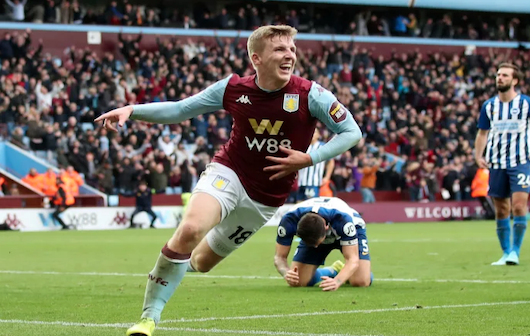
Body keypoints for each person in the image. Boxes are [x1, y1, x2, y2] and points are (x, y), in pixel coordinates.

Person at [95, 25, 362, 336]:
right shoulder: (233, 89)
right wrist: (132, 110)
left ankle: (173, 268)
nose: (289, 55)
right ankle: (148, 319)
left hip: (266, 197)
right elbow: (182, 109)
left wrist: (310, 158)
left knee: (204, 262)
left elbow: (351, 132)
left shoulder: (311, 94)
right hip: (229, 172)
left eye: (291, 49)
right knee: (191, 229)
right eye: (280, 50)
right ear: (256, 58)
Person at [473, 63, 530, 266]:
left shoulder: (528, 104)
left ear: (514, 80)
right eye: (498, 74)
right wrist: (478, 155)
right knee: (501, 210)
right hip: (497, 163)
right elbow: (482, 133)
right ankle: (506, 252)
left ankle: (515, 252)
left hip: (520, 162)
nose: (500, 78)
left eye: (505, 75)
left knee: (518, 206)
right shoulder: (489, 106)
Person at [274, 197, 372, 290]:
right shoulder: (289, 221)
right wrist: (286, 273)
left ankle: (361, 272)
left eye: (317, 243)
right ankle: (333, 270)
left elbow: (352, 259)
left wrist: (337, 281)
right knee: (298, 281)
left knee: (360, 281)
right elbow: (279, 257)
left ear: (326, 228)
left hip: (350, 231)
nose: (316, 247)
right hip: (316, 230)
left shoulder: (343, 220)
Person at [297, 128, 335, 202]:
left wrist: (327, 177)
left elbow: (330, 162)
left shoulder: (322, 147)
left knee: (310, 204)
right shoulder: (302, 145)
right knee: (299, 205)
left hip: (313, 182)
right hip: (301, 181)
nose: (312, 134)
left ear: (318, 135)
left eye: (314, 132)